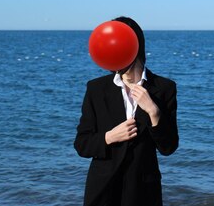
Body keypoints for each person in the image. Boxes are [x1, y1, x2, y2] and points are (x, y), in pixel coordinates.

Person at [74, 16, 179, 206]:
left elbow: (169, 147)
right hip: (102, 190)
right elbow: (82, 144)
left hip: (143, 192)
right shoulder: (96, 89)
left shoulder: (164, 88)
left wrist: (154, 112)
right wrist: (109, 137)